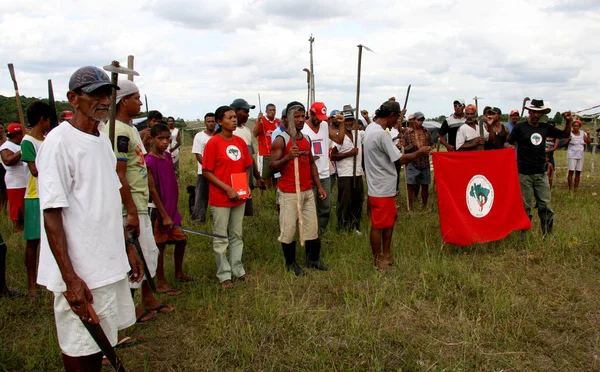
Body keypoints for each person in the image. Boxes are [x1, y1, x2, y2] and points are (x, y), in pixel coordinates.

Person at [36, 65, 143, 371]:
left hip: (106, 264)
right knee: (78, 344)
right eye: (95, 94)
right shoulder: (59, 143)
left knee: (101, 339)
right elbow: (52, 214)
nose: (104, 101)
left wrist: (128, 247)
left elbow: (107, 202)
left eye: (107, 95)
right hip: (81, 270)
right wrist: (70, 279)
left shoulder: (101, 141)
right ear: (73, 99)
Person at [103, 79, 176, 321]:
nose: (140, 102)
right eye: (136, 98)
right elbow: (119, 173)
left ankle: (147, 298)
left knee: (148, 253)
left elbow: (141, 168)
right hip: (130, 205)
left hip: (141, 203)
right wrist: (131, 210)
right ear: (124, 100)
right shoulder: (118, 131)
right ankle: (131, 307)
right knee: (133, 256)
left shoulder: (131, 129)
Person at [364, 100, 431, 271]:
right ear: (392, 115)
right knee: (378, 225)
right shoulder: (380, 134)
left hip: (381, 185)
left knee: (389, 220)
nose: (398, 121)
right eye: (397, 117)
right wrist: (419, 153)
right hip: (381, 187)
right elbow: (400, 159)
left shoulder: (371, 128)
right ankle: (378, 260)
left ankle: (386, 254)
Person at [271, 102, 328, 276]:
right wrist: (288, 157)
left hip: (307, 191)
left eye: (303, 116)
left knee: (312, 228)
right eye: (296, 117)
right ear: (288, 118)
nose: (300, 120)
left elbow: (311, 164)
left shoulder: (306, 139)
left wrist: (318, 187)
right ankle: (290, 263)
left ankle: (313, 260)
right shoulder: (282, 140)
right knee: (288, 230)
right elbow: (272, 167)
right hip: (289, 192)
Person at [202, 105, 253, 288]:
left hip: (239, 195)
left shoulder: (239, 142)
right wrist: (227, 189)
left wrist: (244, 185)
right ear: (219, 122)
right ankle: (224, 275)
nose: (234, 120)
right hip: (221, 198)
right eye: (230, 118)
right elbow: (207, 171)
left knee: (237, 235)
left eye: (234, 117)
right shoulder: (213, 143)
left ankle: (238, 269)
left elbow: (247, 165)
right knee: (221, 236)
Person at [508, 99, 572, 236]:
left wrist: (568, 122)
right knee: (525, 206)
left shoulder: (546, 127)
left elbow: (565, 135)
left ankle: (547, 235)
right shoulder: (520, 127)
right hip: (524, 173)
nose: (537, 115)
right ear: (530, 112)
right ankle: (523, 236)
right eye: (534, 112)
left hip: (540, 173)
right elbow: (510, 142)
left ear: (542, 113)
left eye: (540, 113)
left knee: (545, 205)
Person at [146, 123, 192, 287]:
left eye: (168, 138)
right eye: (161, 138)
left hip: (172, 210)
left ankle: (179, 273)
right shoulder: (149, 160)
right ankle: (160, 281)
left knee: (181, 241)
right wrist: (163, 215)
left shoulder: (166, 156)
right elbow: (152, 190)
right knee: (160, 246)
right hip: (160, 212)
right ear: (152, 139)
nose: (165, 142)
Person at [21, 101, 52, 298]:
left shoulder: (48, 139)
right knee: (33, 241)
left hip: (48, 193)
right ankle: (32, 285)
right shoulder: (28, 142)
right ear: (43, 119)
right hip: (34, 196)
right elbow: (34, 170)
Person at [301, 102, 345, 235]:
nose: (320, 121)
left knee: (325, 206)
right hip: (308, 174)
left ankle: (321, 233)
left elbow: (339, 139)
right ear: (311, 113)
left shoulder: (324, 125)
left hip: (324, 174)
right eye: (318, 118)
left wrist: (342, 124)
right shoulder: (302, 128)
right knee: (309, 207)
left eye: (322, 118)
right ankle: (309, 233)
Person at [331, 109, 364, 234]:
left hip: (357, 172)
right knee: (345, 202)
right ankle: (343, 227)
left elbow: (373, 130)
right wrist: (349, 153)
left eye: (351, 120)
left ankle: (355, 226)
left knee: (358, 200)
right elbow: (333, 156)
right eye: (347, 120)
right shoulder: (340, 136)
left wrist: (366, 118)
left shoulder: (358, 134)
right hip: (345, 174)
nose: (349, 122)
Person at [231, 98, 264, 216]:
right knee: (236, 210)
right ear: (234, 111)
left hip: (247, 178)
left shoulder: (246, 131)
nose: (247, 114)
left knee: (246, 212)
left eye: (248, 112)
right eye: (245, 111)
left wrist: (258, 177)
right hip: (235, 178)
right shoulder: (229, 132)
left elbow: (250, 158)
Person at [0, 123, 29, 232]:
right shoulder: (6, 147)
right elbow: (8, 161)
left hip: (26, 182)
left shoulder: (21, 144)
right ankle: (18, 233)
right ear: (16, 134)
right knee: (18, 211)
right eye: (22, 133)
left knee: (26, 210)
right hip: (16, 184)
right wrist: (22, 150)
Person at [402, 111, 433, 211]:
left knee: (425, 186)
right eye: (418, 120)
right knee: (410, 186)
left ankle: (424, 206)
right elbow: (404, 149)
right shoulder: (407, 133)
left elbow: (431, 145)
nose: (420, 122)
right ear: (414, 120)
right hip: (413, 162)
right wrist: (411, 147)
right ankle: (410, 207)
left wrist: (429, 149)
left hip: (424, 162)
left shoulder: (426, 132)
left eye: (422, 120)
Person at [191, 112, 216, 222]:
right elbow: (198, 154)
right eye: (209, 121)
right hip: (204, 171)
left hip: (218, 172)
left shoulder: (218, 135)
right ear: (205, 123)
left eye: (213, 121)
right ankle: (198, 219)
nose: (211, 124)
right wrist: (209, 167)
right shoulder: (199, 136)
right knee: (201, 197)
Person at [254, 103, 279, 189]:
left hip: (275, 154)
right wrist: (258, 121)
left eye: (274, 110)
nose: (272, 112)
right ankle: (262, 198)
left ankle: (273, 195)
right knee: (264, 178)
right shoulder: (262, 120)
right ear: (266, 111)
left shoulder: (277, 122)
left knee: (275, 177)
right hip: (265, 154)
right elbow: (255, 133)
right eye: (270, 110)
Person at [565, 119, 590, 193]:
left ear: (579, 127)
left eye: (577, 126)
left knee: (578, 172)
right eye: (574, 126)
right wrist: (568, 140)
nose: (575, 127)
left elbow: (588, 142)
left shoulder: (582, 133)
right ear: (572, 126)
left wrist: (588, 134)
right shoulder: (570, 134)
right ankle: (570, 189)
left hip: (580, 155)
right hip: (572, 155)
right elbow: (565, 144)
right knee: (571, 171)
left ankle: (575, 189)